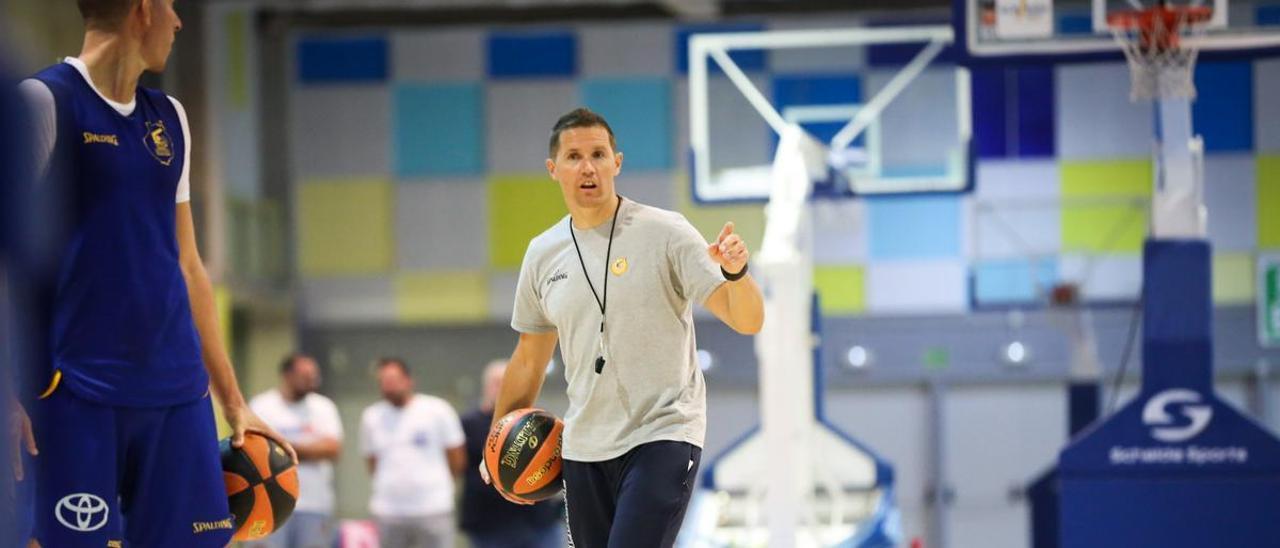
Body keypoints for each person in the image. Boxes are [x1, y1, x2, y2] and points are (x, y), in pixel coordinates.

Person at [17, 1, 294, 546]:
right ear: (143, 9)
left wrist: (234, 401)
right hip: (76, 390)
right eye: (170, 5)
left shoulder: (171, 118)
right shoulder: (45, 101)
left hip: (176, 389)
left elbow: (189, 266)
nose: (179, 21)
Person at [481, 107, 764, 547]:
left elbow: (747, 319)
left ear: (617, 162)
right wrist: (496, 447)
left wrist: (737, 273)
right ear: (553, 170)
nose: (588, 166)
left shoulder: (665, 232)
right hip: (582, 448)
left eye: (598, 153)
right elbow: (527, 360)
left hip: (663, 433)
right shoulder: (543, 254)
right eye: (574, 156)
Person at [360, 357, 466, 548]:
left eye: (393, 379)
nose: (389, 385)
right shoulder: (371, 417)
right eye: (383, 381)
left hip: (433, 508)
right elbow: (372, 463)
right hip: (389, 512)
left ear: (409, 380)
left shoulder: (437, 410)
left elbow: (457, 459)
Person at [459, 360, 564, 548]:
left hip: (538, 520)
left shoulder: (537, 423)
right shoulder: (468, 423)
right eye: (497, 382)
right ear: (485, 386)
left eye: (506, 381)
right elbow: (458, 466)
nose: (502, 388)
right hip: (490, 522)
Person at [248, 353, 344, 548]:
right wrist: (309, 448)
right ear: (287, 375)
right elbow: (253, 450)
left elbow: (332, 449)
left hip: (314, 505)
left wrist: (279, 448)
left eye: (314, 375)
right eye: (305, 375)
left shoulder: (323, 407)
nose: (312, 380)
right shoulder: (262, 406)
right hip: (269, 506)